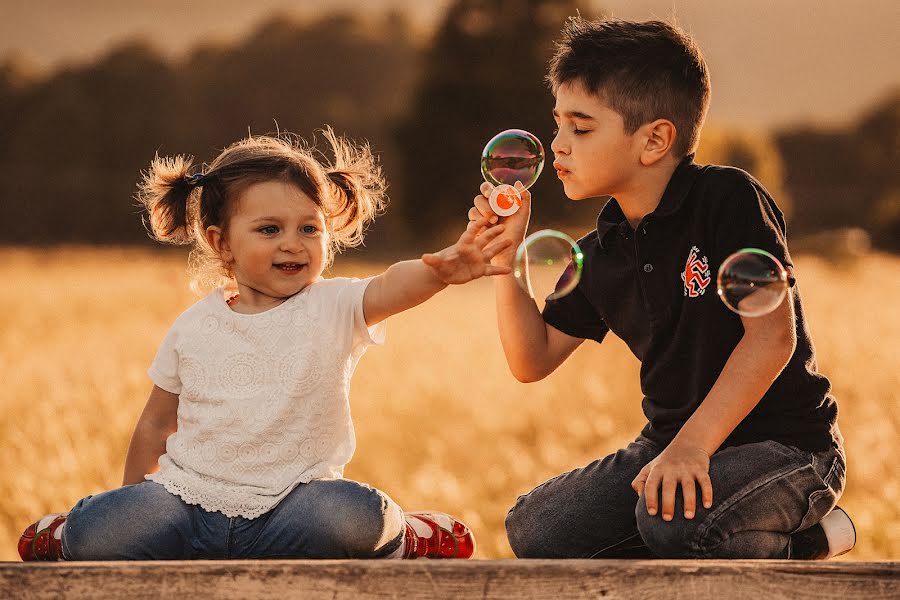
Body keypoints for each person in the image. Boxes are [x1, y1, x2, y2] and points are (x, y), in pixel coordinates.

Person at [19, 128, 511, 561]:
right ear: (221, 242)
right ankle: (69, 536)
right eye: (269, 230)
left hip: (292, 510)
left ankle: (406, 536)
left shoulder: (332, 306)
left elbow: (388, 286)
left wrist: (441, 271)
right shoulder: (193, 327)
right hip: (189, 507)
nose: (292, 244)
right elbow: (156, 420)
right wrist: (136, 509)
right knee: (106, 526)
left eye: (309, 229)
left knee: (352, 514)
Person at [469, 17, 855, 560]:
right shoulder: (599, 251)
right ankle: (714, 541)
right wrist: (503, 262)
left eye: (581, 128)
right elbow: (531, 359)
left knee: (672, 526)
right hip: (670, 445)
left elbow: (771, 339)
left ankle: (819, 536)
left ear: (654, 140)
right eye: (557, 124)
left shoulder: (726, 199)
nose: (558, 146)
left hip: (785, 447)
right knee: (538, 531)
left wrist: (692, 449)